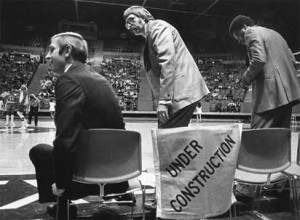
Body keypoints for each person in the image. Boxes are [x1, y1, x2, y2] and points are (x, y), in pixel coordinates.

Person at [29, 32, 128, 217]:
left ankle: (61, 202)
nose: (48, 56)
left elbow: (65, 138)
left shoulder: (68, 79)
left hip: (89, 172)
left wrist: (60, 182)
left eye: (51, 49)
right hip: (118, 170)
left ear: (67, 51)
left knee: (39, 151)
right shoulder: (100, 78)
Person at [124, 6, 209, 128]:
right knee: (170, 138)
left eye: (132, 19)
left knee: (168, 138)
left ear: (143, 17)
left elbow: (167, 62)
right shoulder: (151, 34)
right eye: (127, 24)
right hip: (180, 93)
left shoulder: (157, 27)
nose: (129, 25)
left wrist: (164, 101)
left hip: (181, 93)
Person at [229, 15, 300, 129]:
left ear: (244, 26)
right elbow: (293, 61)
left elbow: (259, 59)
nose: (239, 40)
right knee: (280, 136)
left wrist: (245, 79)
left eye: (237, 35)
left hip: (269, 96)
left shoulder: (250, 31)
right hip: (288, 96)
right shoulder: (275, 34)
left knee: (256, 135)